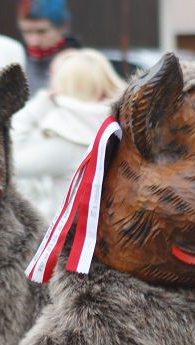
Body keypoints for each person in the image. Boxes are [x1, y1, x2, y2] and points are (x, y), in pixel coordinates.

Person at [12, 48, 124, 221]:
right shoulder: (119, 126)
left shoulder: (67, 140)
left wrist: (39, 106)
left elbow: (10, 162)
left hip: (68, 241)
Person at [17, 0, 81, 94]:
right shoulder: (16, 61)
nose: (34, 42)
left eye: (42, 31)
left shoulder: (81, 65)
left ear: (63, 26)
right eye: (27, 32)